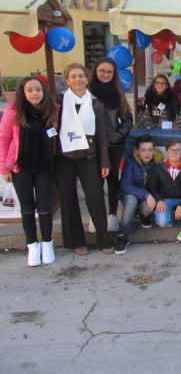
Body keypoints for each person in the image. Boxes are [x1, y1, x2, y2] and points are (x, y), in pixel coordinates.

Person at [54, 63, 113, 255]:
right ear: (67, 80)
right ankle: (76, 242)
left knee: (95, 197)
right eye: (73, 76)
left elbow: (102, 134)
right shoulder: (59, 102)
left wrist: (105, 161)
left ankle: (103, 240)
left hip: (89, 157)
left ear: (87, 80)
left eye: (81, 76)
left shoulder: (95, 104)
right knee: (68, 199)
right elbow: (52, 129)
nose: (78, 79)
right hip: (64, 158)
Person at [0, 77, 58, 266]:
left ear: (44, 92)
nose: (35, 93)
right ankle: (32, 245)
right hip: (21, 167)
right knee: (27, 209)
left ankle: (47, 243)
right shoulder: (13, 113)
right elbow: (4, 140)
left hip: (44, 167)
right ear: (23, 93)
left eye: (38, 90)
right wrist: (4, 168)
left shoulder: (52, 110)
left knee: (44, 208)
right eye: (30, 90)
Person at [90, 57, 133, 231]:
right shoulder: (88, 92)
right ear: (95, 71)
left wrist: (119, 134)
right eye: (102, 71)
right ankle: (97, 217)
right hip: (93, 146)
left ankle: (112, 215)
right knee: (95, 183)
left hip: (114, 145)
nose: (106, 74)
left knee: (113, 181)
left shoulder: (118, 93)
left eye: (109, 71)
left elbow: (128, 118)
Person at [115, 134, 163, 254]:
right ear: (137, 152)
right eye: (143, 150)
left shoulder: (158, 162)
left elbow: (159, 184)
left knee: (147, 208)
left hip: (146, 197)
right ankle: (123, 235)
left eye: (150, 150)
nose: (147, 153)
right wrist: (146, 195)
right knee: (132, 201)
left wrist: (154, 197)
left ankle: (143, 215)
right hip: (130, 194)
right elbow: (126, 185)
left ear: (154, 150)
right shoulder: (131, 162)